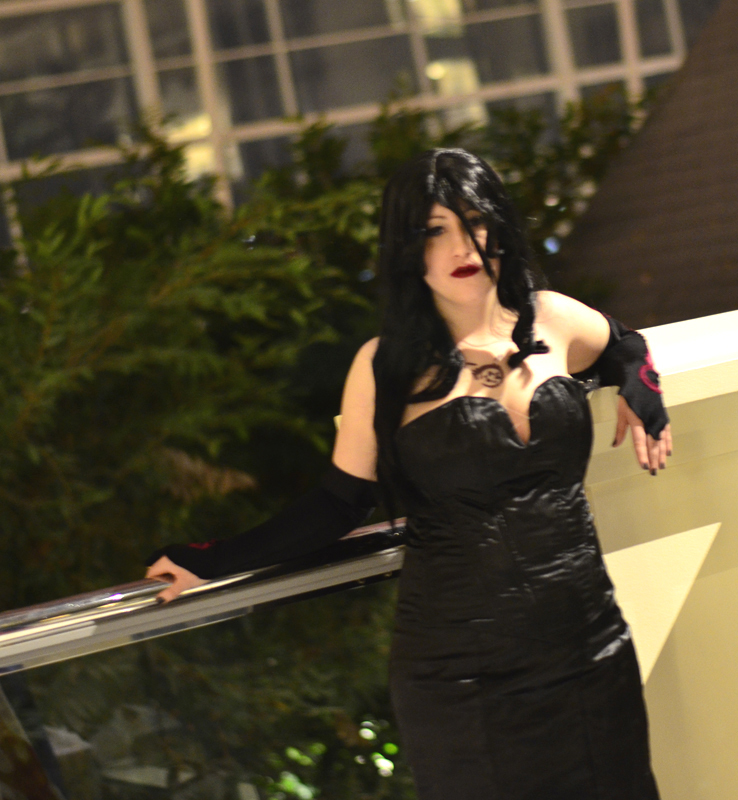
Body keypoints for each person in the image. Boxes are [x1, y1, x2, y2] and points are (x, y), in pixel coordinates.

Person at [145, 148, 671, 800]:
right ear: (405, 249)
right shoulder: (385, 367)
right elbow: (337, 505)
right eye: (433, 231)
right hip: (464, 677)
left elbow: (627, 345)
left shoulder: (553, 317)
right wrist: (212, 559)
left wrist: (643, 394)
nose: (461, 246)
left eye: (475, 221)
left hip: (589, 647)